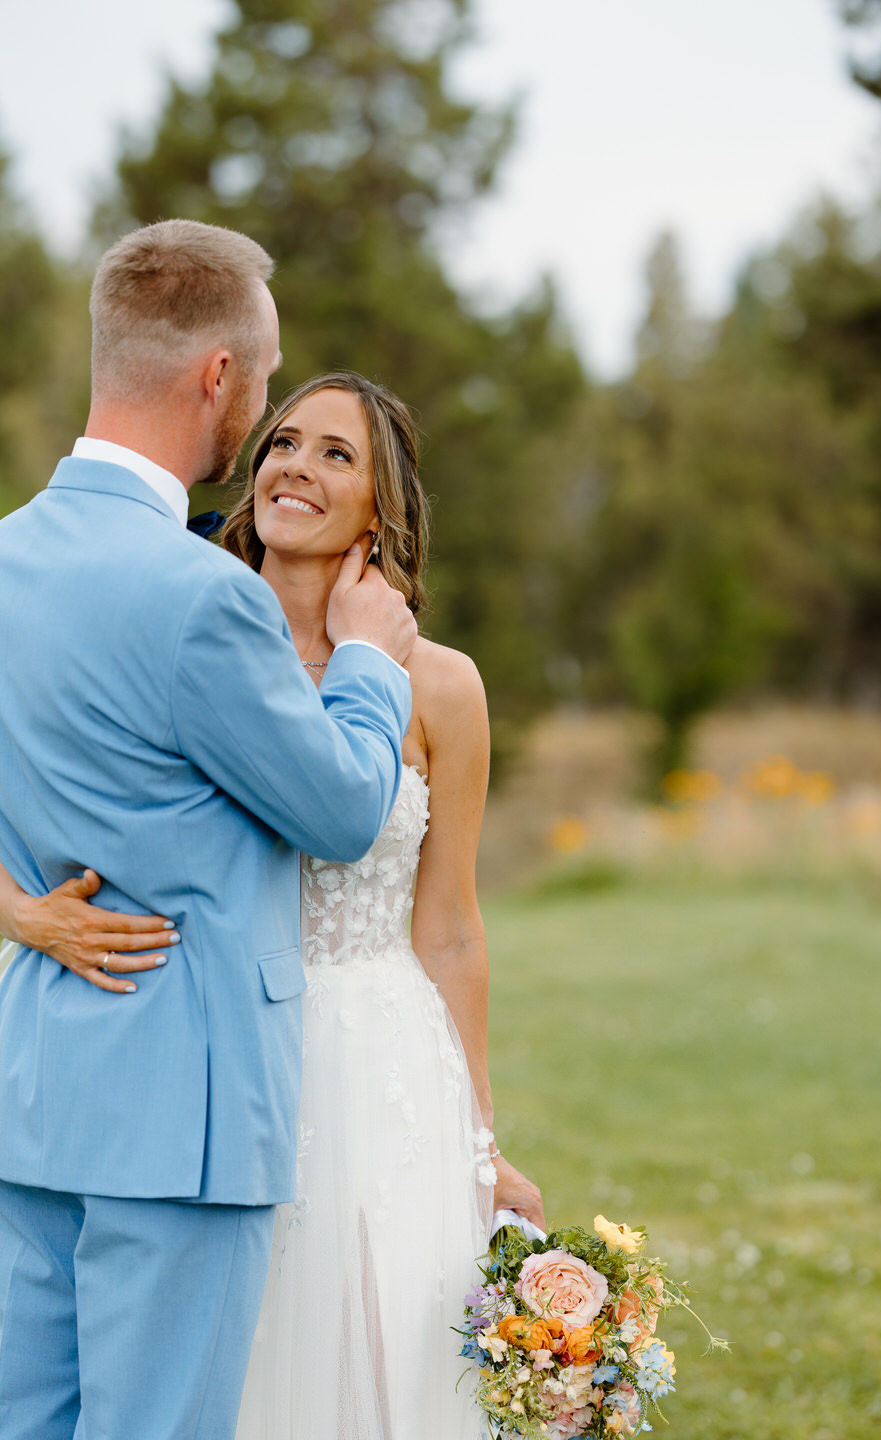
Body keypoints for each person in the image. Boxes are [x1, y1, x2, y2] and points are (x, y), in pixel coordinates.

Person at [4, 371, 544, 1439]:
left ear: (384, 507)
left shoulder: (440, 686)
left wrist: (483, 1142)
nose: (298, 464)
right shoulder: (181, 621)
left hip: (378, 1066)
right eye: (285, 441)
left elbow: (449, 927)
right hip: (204, 1055)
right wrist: (19, 909)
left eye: (338, 453)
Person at [0, 221, 418, 1440]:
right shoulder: (202, 596)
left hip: (31, 1097)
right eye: (271, 377)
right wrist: (372, 674)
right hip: (182, 1126)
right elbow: (343, 811)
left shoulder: (6, 559)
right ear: (219, 377)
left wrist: (13, 909)